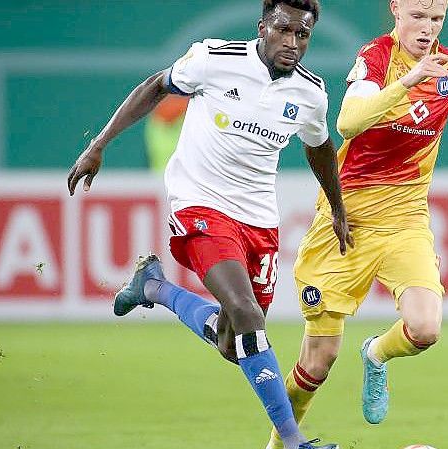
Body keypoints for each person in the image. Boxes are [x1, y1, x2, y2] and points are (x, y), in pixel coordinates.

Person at [67, 1, 350, 448]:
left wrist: (336, 208)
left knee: (234, 342)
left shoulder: (310, 93)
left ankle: (154, 288)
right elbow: (154, 87)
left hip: (259, 220)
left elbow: (319, 147)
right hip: (200, 202)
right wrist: (99, 145)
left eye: (303, 35)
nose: (292, 43)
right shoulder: (214, 60)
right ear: (263, 27)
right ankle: (295, 442)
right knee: (247, 313)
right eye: (283, 30)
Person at [265, 0, 448, 445]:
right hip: (345, 223)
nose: (427, 28)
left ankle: (375, 352)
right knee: (318, 360)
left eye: (436, 19)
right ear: (396, 10)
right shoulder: (375, 58)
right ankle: (281, 445)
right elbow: (348, 123)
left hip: (406, 220)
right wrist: (407, 83)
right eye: (418, 16)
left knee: (426, 328)